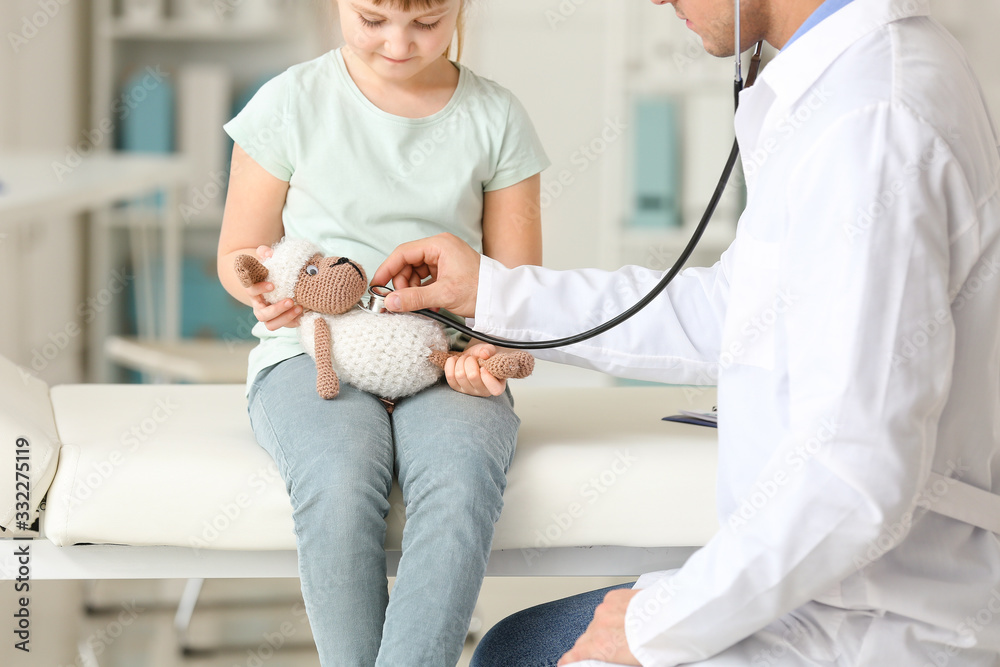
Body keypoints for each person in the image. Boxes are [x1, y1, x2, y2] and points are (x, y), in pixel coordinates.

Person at [371, 0, 1000, 664]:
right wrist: (495, 293)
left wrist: (656, 622)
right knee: (514, 646)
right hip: (837, 591)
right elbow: (737, 312)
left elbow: (856, 476)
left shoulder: (870, 123)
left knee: (521, 655)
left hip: (877, 623)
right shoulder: (857, 80)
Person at [216, 1, 549, 664]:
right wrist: (259, 285)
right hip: (311, 350)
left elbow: (515, 293)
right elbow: (238, 252)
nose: (398, 44)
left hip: (442, 351)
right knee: (338, 478)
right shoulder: (290, 102)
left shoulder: (498, 117)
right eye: (373, 20)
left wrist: (483, 352)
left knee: (459, 477)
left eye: (426, 23)